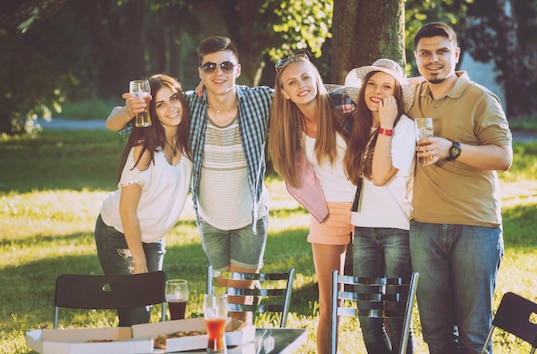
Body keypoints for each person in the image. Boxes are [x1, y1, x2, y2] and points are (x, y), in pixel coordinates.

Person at [105, 36, 273, 324]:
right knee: (140, 310)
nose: (218, 72)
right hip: (152, 228)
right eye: (209, 67)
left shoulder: (251, 103)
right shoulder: (165, 128)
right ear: (200, 73)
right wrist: (128, 110)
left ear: (238, 68)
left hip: (181, 231)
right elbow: (114, 124)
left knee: (229, 298)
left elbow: (306, 99)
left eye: (225, 65)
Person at [407, 22, 513, 354]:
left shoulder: (480, 98)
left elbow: (503, 156)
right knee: (436, 331)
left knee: (474, 332)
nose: (433, 59)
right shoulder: (413, 96)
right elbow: (366, 88)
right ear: (416, 58)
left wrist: (452, 148)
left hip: (475, 228)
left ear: (456, 54)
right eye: (425, 53)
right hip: (424, 228)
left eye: (441, 52)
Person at [267, 51, 355, 354]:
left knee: (378, 299)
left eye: (306, 76)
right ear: (285, 93)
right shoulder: (288, 125)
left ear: (315, 76)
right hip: (327, 214)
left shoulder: (345, 103)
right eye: (292, 82)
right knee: (330, 303)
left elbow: (391, 90)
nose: (301, 85)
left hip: (370, 212)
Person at [95, 74, 192, 326]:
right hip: (118, 233)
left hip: (153, 238)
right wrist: (139, 262)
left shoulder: (188, 141)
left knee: (143, 308)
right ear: (151, 111)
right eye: (160, 104)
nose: (170, 108)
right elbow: (127, 211)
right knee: (137, 314)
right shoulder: (145, 148)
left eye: (174, 99)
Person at [343, 58, 416, 353]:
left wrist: (386, 126)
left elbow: (383, 175)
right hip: (363, 229)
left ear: (397, 96)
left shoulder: (404, 127)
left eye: (387, 86)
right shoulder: (359, 127)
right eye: (371, 84)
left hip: (398, 229)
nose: (377, 91)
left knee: (395, 316)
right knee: (368, 316)